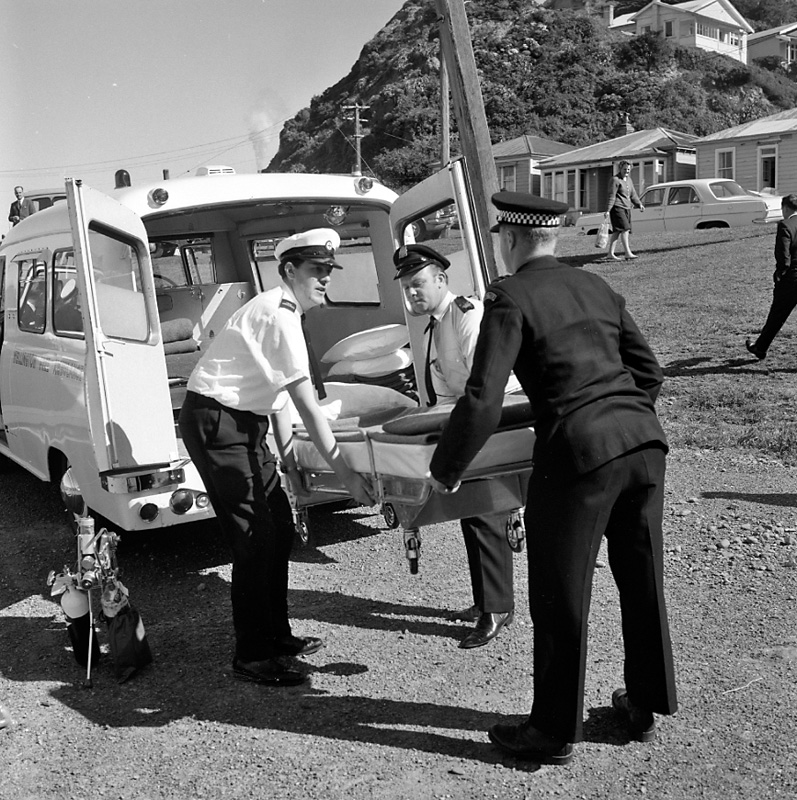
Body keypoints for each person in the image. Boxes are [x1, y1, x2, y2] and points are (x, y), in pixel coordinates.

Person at [428, 191, 678, 765]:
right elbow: (648, 369)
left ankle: (552, 729)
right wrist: (621, 419)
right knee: (641, 577)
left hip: (579, 458)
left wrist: (446, 470)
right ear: (552, 236)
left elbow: (482, 396)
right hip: (643, 444)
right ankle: (644, 703)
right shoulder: (596, 286)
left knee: (561, 593)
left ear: (510, 238)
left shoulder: (510, 294)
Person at [178, 228, 374, 688]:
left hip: (245, 423)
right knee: (254, 538)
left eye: (328, 271)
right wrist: (345, 475)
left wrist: (290, 465)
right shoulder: (280, 313)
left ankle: (277, 635)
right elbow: (304, 401)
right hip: (217, 422)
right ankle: (251, 654)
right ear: (289, 270)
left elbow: (279, 399)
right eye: (316, 271)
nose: (324, 279)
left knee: (280, 527)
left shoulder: (286, 311)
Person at [394, 244, 516, 649]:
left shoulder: (467, 315)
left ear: (441, 280)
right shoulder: (435, 322)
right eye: (407, 287)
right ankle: (486, 601)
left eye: (418, 284)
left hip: (488, 423)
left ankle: (496, 609)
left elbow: (485, 386)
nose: (412, 293)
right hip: (464, 421)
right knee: (470, 512)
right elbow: (444, 393)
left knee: (484, 512)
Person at [746, 193, 797, 360]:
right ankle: (760, 346)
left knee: (777, 315)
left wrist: (780, 272)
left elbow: (783, 254)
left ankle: (761, 347)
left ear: (785, 208)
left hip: (791, 279)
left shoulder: (785, 225)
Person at [605, 161, 644, 260]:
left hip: (627, 208)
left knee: (617, 231)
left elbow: (633, 194)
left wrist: (639, 204)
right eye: (624, 169)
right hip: (617, 208)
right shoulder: (615, 180)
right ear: (620, 169)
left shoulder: (629, 180)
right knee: (625, 229)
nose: (626, 171)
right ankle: (627, 253)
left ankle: (610, 254)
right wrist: (608, 210)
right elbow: (611, 195)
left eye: (628, 169)